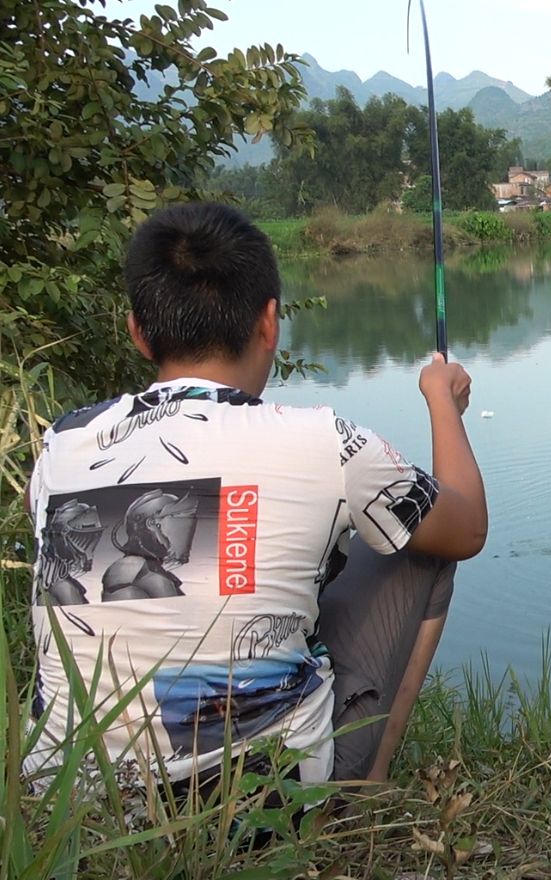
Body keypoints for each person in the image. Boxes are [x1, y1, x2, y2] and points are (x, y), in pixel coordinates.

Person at [24, 202, 488, 787]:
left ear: (138, 332)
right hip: (262, 809)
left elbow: (36, 513)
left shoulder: (61, 444)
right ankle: (360, 792)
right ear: (270, 322)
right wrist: (442, 399)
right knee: (425, 541)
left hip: (68, 802)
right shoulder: (325, 439)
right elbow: (467, 527)